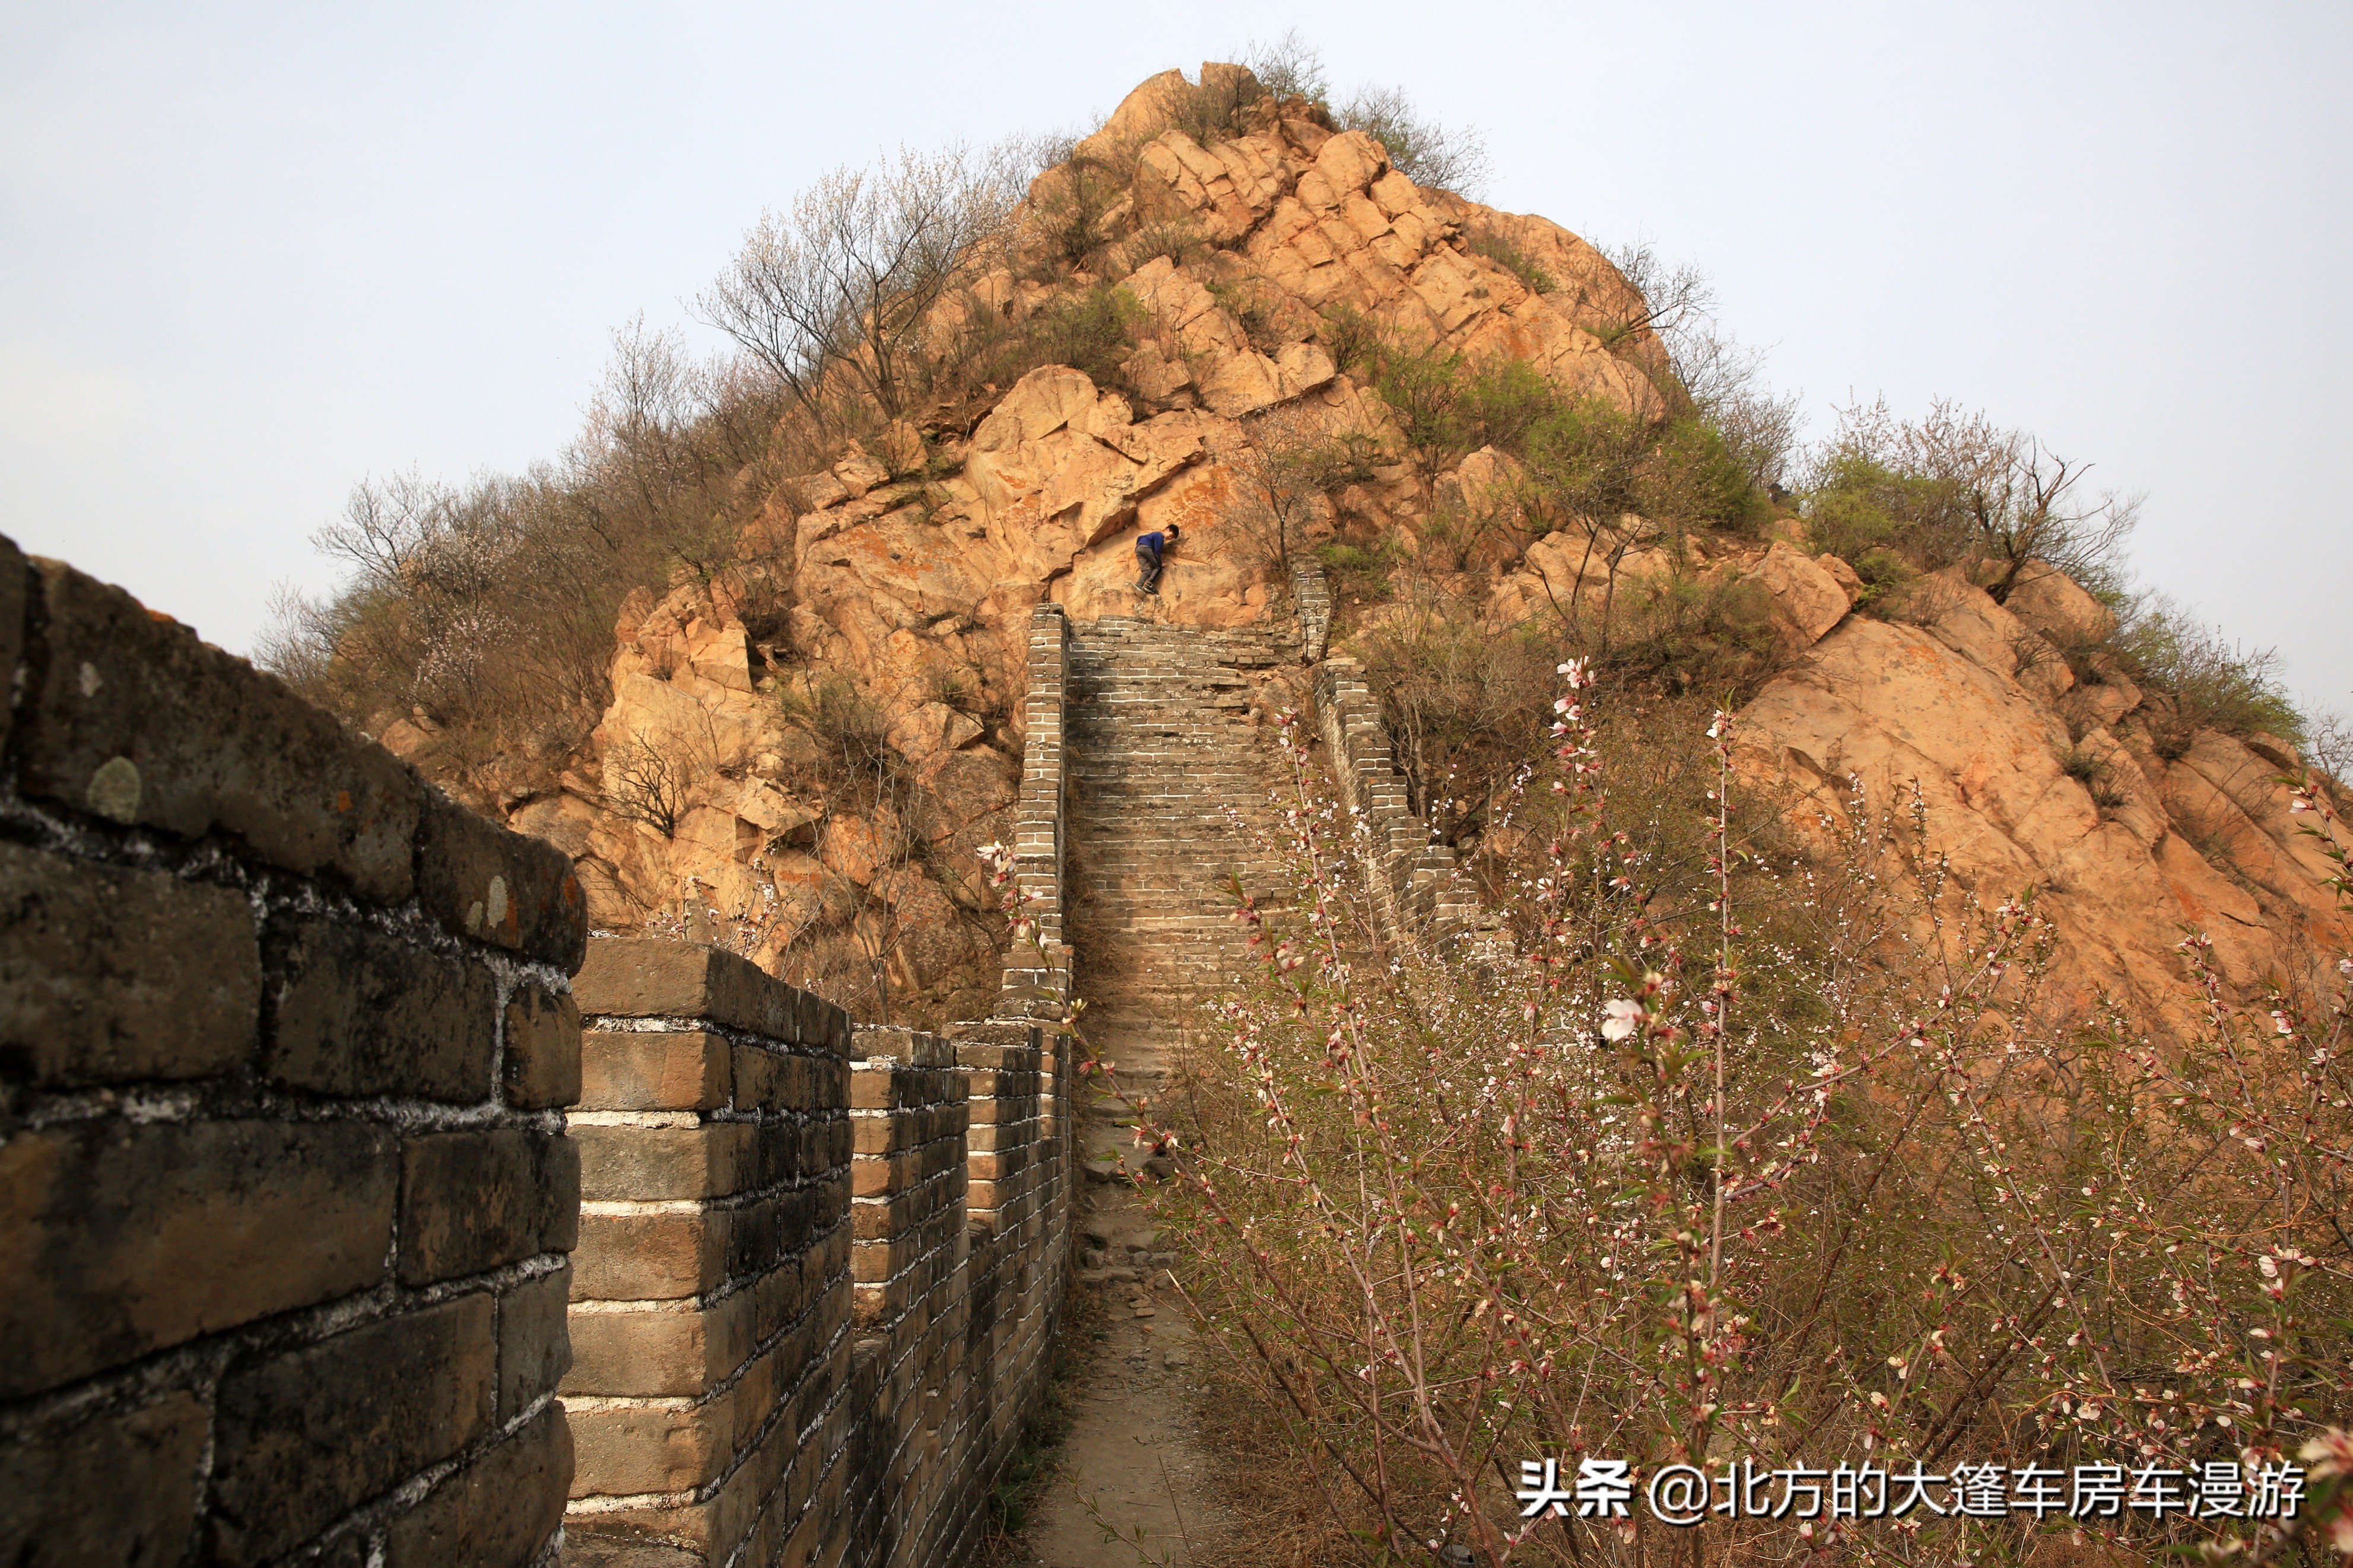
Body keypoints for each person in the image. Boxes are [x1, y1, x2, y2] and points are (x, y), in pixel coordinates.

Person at [1133, 523, 1180, 595]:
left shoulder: (1152, 535)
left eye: (1172, 538)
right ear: (1167, 530)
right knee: (1158, 567)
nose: (1170, 538)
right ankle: (1149, 585)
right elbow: (1157, 550)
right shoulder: (1160, 536)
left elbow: (1140, 537)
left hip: (1139, 549)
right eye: (1171, 535)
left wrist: (1139, 545)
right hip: (1146, 548)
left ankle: (1138, 585)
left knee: (1147, 571)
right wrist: (1160, 563)